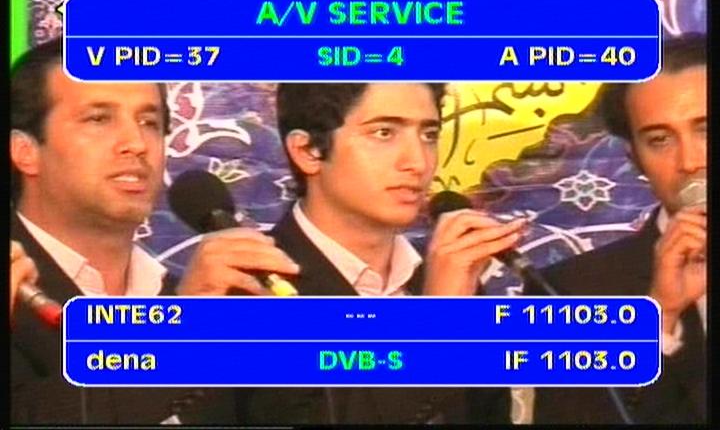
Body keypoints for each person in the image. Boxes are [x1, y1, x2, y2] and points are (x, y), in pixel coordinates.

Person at [9, 37, 298, 424]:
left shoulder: (193, 299)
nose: (136, 144)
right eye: (99, 119)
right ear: (25, 151)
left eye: (149, 123)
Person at [228, 83, 528, 424]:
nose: (417, 162)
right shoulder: (247, 291)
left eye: (429, 135)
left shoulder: (450, 281)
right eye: (384, 133)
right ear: (307, 151)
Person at [527, 34, 707, 424]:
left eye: (705, 129)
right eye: (660, 140)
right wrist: (658, 318)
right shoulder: (571, 294)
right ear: (635, 159)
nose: (690, 161)